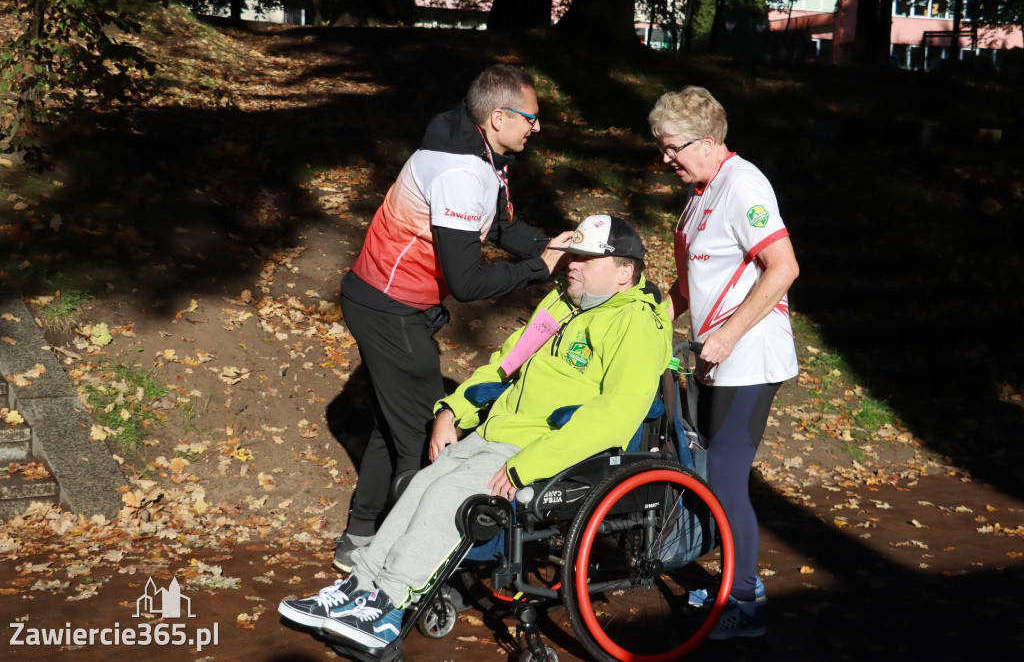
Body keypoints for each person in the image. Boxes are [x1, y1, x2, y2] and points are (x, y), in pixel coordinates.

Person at [280, 215, 673, 650]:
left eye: (586, 258)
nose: (571, 265)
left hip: (545, 449)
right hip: (497, 435)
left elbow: (614, 416)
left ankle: (387, 608)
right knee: (424, 483)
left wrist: (529, 465)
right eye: (572, 255)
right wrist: (453, 410)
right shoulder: (561, 305)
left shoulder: (636, 324)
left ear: (624, 273)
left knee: (449, 497)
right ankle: (358, 590)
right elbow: (506, 364)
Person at [334, 64, 574, 570]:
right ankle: (408, 564)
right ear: (499, 116)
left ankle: (359, 537)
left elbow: (504, 228)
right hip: (389, 307)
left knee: (390, 423)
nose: (538, 127)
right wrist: (537, 269)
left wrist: (556, 247)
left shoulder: (481, 150)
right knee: (428, 437)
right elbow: (467, 283)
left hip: (389, 301)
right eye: (531, 118)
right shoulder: (461, 171)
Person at [648, 86, 800, 640]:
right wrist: (648, 322)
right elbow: (689, 287)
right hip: (714, 358)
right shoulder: (700, 191)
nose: (665, 157)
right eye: (661, 146)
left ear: (709, 141)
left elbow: (783, 268)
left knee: (728, 481)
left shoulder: (745, 184)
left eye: (672, 146)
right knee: (715, 478)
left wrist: (731, 334)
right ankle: (737, 581)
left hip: (751, 357)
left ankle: (744, 604)